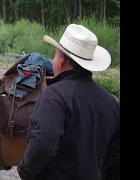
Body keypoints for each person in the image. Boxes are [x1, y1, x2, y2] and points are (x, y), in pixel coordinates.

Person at [17, 24, 120, 180]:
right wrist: (95, 168)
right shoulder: (111, 102)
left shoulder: (54, 95)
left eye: (55, 55)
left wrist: (25, 170)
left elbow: (44, 142)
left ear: (61, 60)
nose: (53, 60)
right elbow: (116, 146)